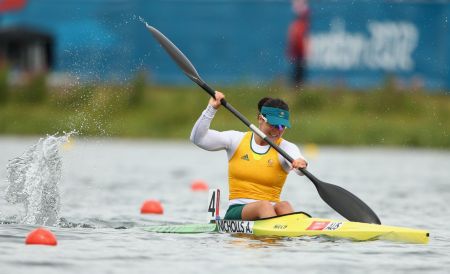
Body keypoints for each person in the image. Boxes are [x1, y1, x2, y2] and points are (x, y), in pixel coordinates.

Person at [190, 92, 308, 221]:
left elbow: (299, 166)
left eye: (282, 126)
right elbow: (198, 139)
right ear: (260, 119)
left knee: (284, 205)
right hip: (238, 210)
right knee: (264, 206)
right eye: (274, 125)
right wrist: (211, 109)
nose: (278, 131)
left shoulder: (285, 147)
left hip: (271, 211)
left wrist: (301, 164)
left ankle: (285, 235)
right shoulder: (236, 140)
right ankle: (274, 234)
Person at [287, 0, 310, 88]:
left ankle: (297, 88)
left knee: (299, 73)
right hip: (299, 54)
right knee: (298, 73)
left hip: (298, 54)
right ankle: (297, 88)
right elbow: (297, 40)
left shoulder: (299, 25)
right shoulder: (299, 25)